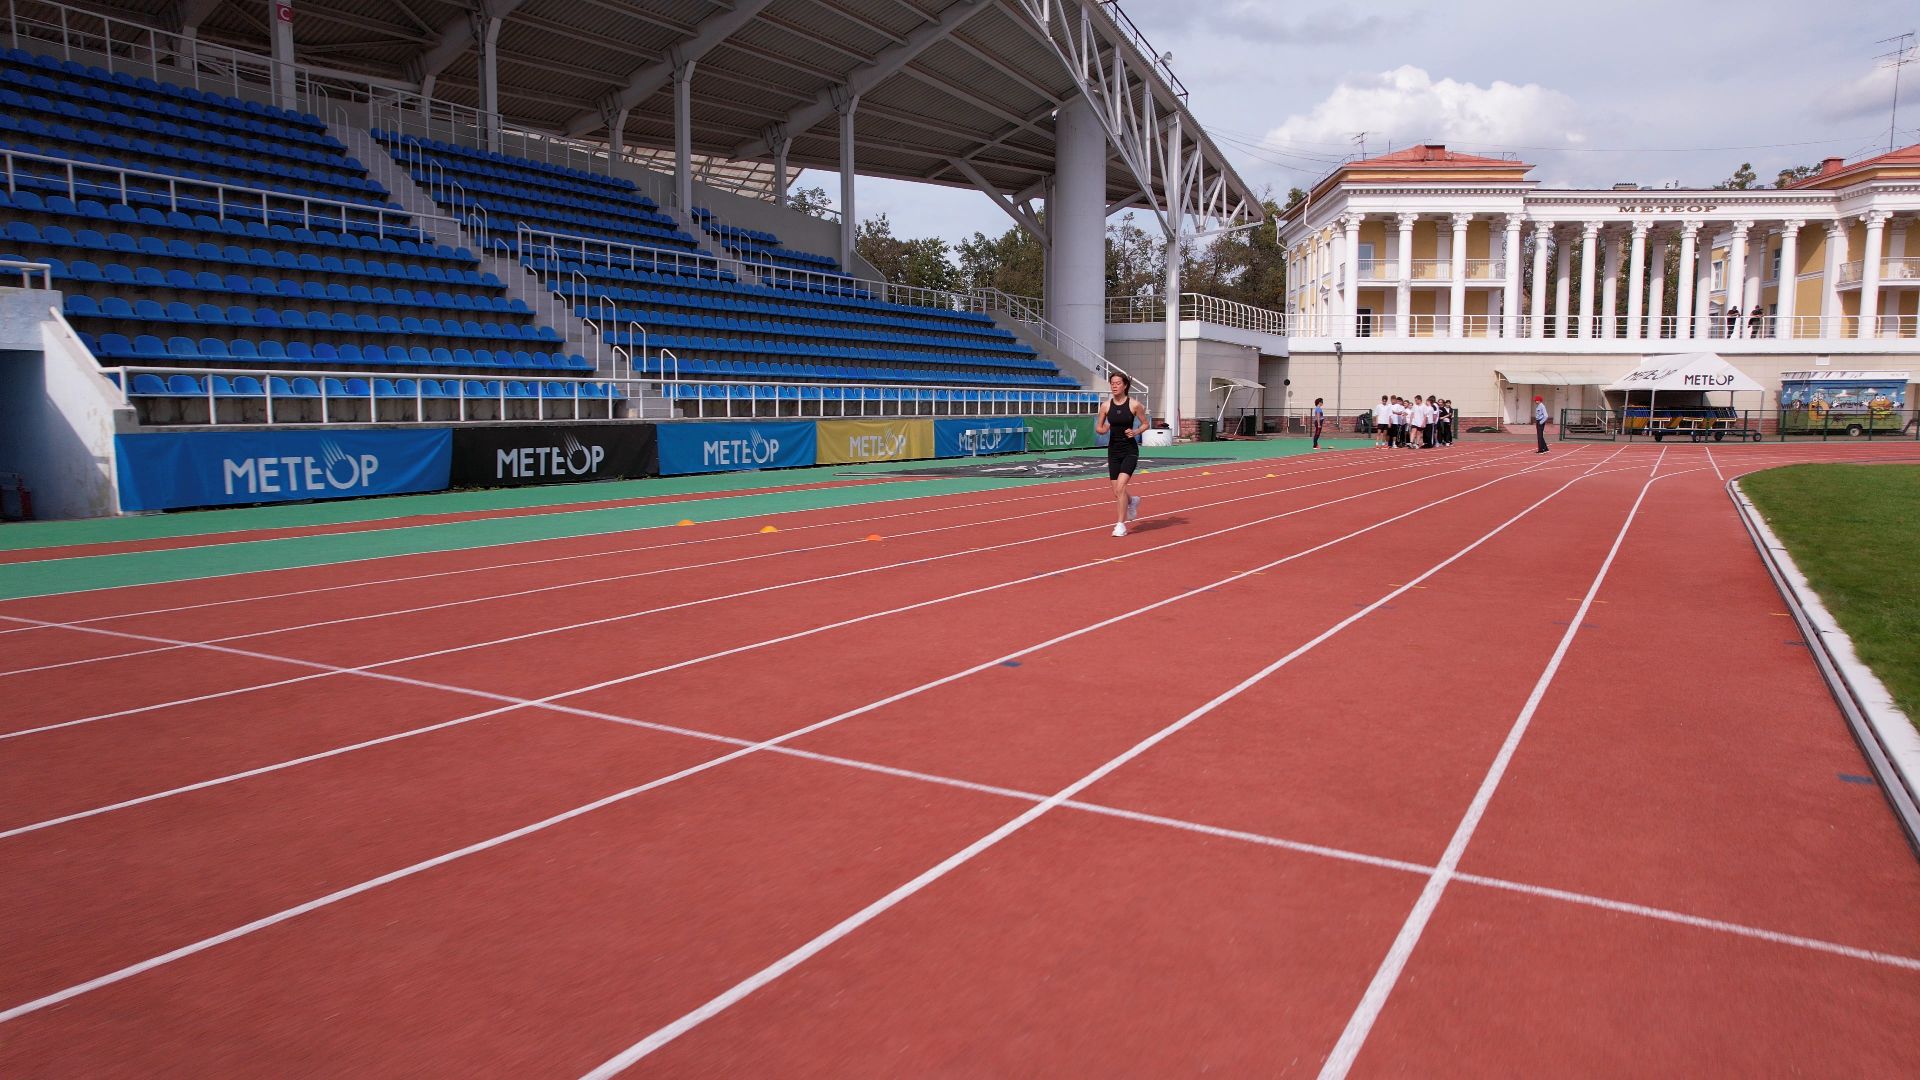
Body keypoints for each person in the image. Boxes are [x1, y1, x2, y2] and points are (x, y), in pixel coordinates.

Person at [1095, 372, 1148, 536]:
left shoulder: (1134, 405)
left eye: (1118, 383)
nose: (1114, 386)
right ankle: (1133, 501)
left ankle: (1120, 525)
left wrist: (1136, 431)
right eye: (1112, 383)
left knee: (1120, 487)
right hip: (1113, 450)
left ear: (1125, 385)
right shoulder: (1105, 406)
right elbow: (1099, 428)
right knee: (1117, 492)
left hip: (1129, 450)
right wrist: (1104, 429)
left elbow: (1145, 424)